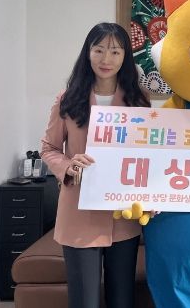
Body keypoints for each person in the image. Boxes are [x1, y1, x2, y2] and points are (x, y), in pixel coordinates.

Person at [41, 22, 150, 308]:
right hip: (79, 212)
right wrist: (68, 166)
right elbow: (49, 148)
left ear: (125, 56)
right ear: (87, 52)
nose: (106, 59)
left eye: (115, 51)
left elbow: (148, 154)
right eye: (99, 50)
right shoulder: (67, 99)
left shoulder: (138, 100)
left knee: (121, 299)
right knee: (84, 300)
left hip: (122, 215)